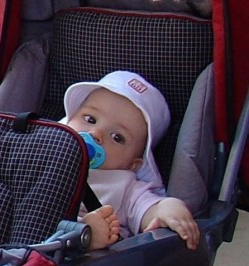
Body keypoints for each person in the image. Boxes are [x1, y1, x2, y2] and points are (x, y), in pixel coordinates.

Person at [61, 70, 200, 250]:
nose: (95, 134)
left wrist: (167, 208)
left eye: (117, 137)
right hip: (21, 232)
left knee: (97, 227)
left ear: (132, 164)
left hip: (69, 259)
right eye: (90, 119)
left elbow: (148, 208)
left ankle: (87, 236)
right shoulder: (43, 149)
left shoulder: (125, 186)